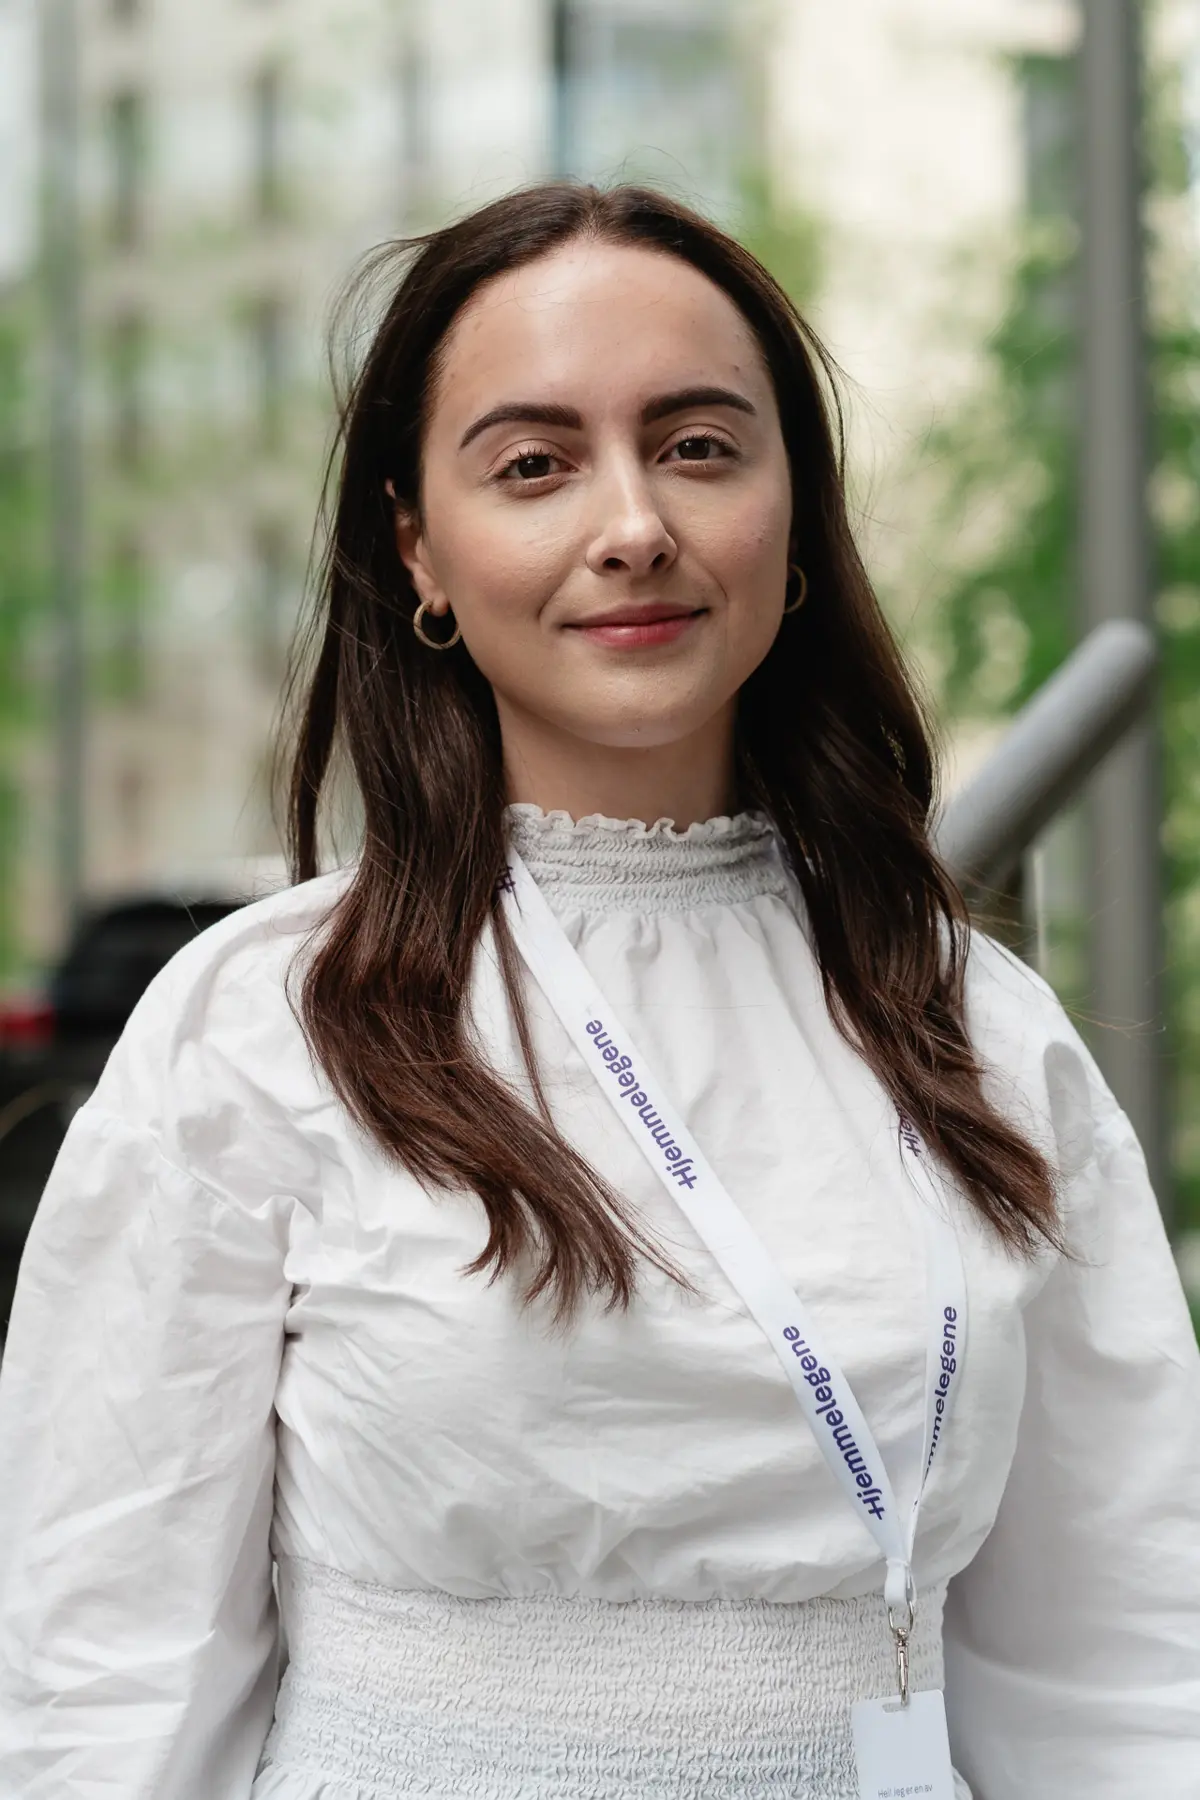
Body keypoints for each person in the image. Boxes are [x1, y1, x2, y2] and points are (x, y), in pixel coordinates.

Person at [1, 182, 1198, 1800]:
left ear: (795, 519)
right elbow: (106, 1678)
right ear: (417, 545)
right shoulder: (264, 1029)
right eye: (534, 464)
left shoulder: (974, 1028)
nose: (631, 523)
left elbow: (1120, 1663)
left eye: (700, 446)